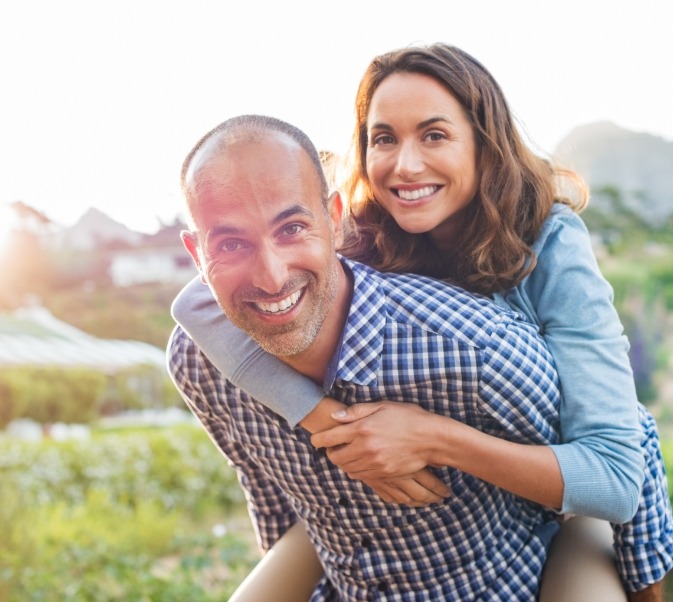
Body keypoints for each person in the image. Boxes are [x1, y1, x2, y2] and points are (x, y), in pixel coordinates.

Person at [172, 44, 672, 600]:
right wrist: (321, 420)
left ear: (484, 143)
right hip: (385, 503)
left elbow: (613, 465)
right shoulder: (357, 230)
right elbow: (196, 305)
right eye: (384, 138)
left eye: (434, 135)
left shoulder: (549, 243)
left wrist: (434, 438)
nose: (404, 165)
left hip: (546, 493)